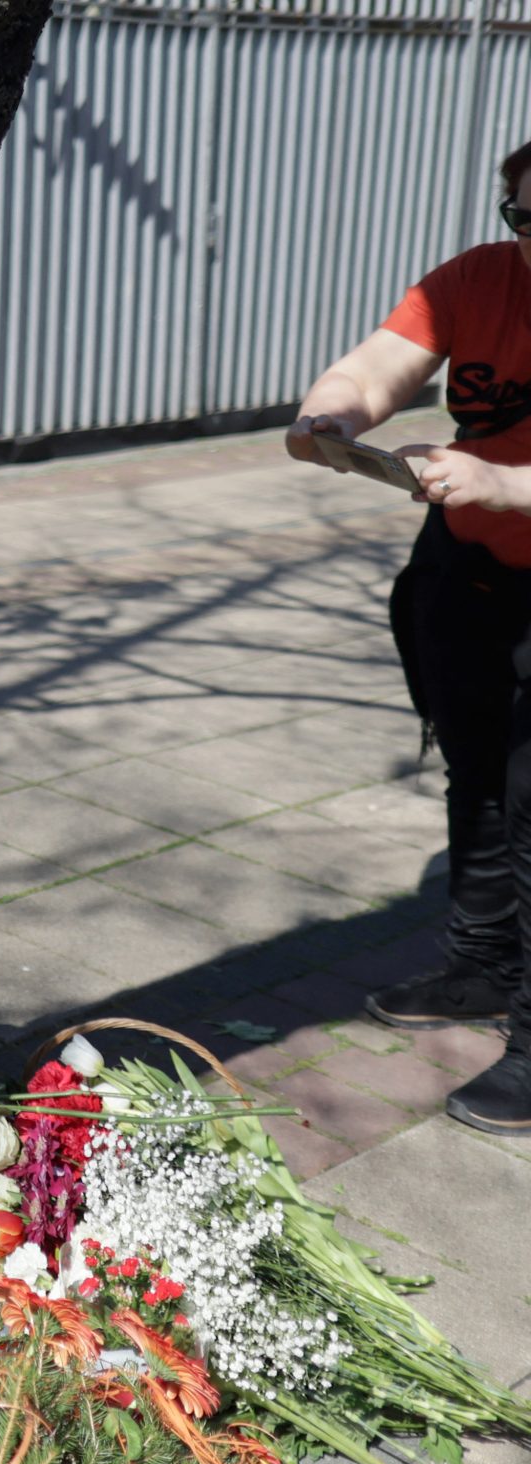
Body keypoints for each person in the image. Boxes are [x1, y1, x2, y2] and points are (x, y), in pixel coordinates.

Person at [289, 135, 531, 1133]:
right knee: (476, 768)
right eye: (523, 216)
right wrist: (334, 414)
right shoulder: (480, 276)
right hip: (469, 571)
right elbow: (382, 362)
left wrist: (505, 483)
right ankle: (481, 963)